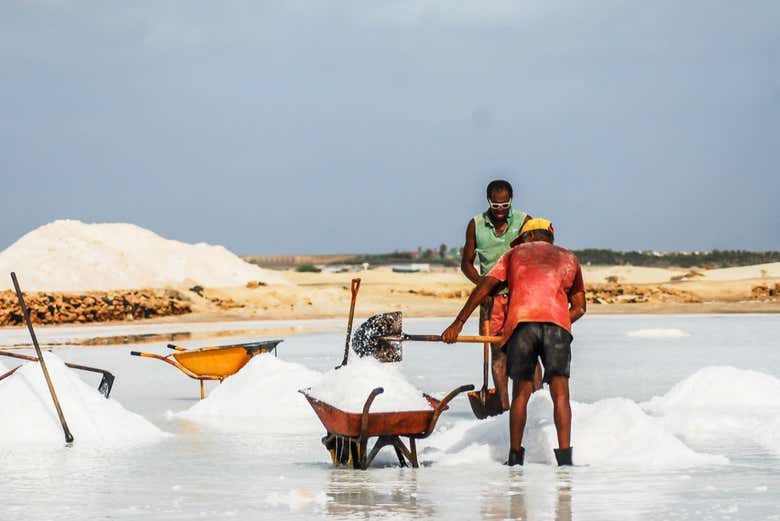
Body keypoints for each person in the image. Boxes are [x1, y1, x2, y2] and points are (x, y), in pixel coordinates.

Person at [444, 218, 586, 466]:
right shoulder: (569, 258)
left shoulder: (513, 255)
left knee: (520, 393)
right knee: (561, 395)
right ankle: (565, 460)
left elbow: (484, 288)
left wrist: (458, 322)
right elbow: (580, 307)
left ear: (529, 237)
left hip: (522, 327)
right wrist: (559, 319)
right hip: (557, 328)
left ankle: (515, 457)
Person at [460, 179, 538, 410]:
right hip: (491, 299)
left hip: (520, 298)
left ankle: (537, 404)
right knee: (498, 351)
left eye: (505, 206)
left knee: (529, 349)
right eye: (496, 206)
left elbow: (536, 256)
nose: (501, 211)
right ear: (489, 202)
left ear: (511, 201)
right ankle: (504, 408)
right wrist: (481, 286)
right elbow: (466, 263)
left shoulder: (525, 222)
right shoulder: (475, 225)